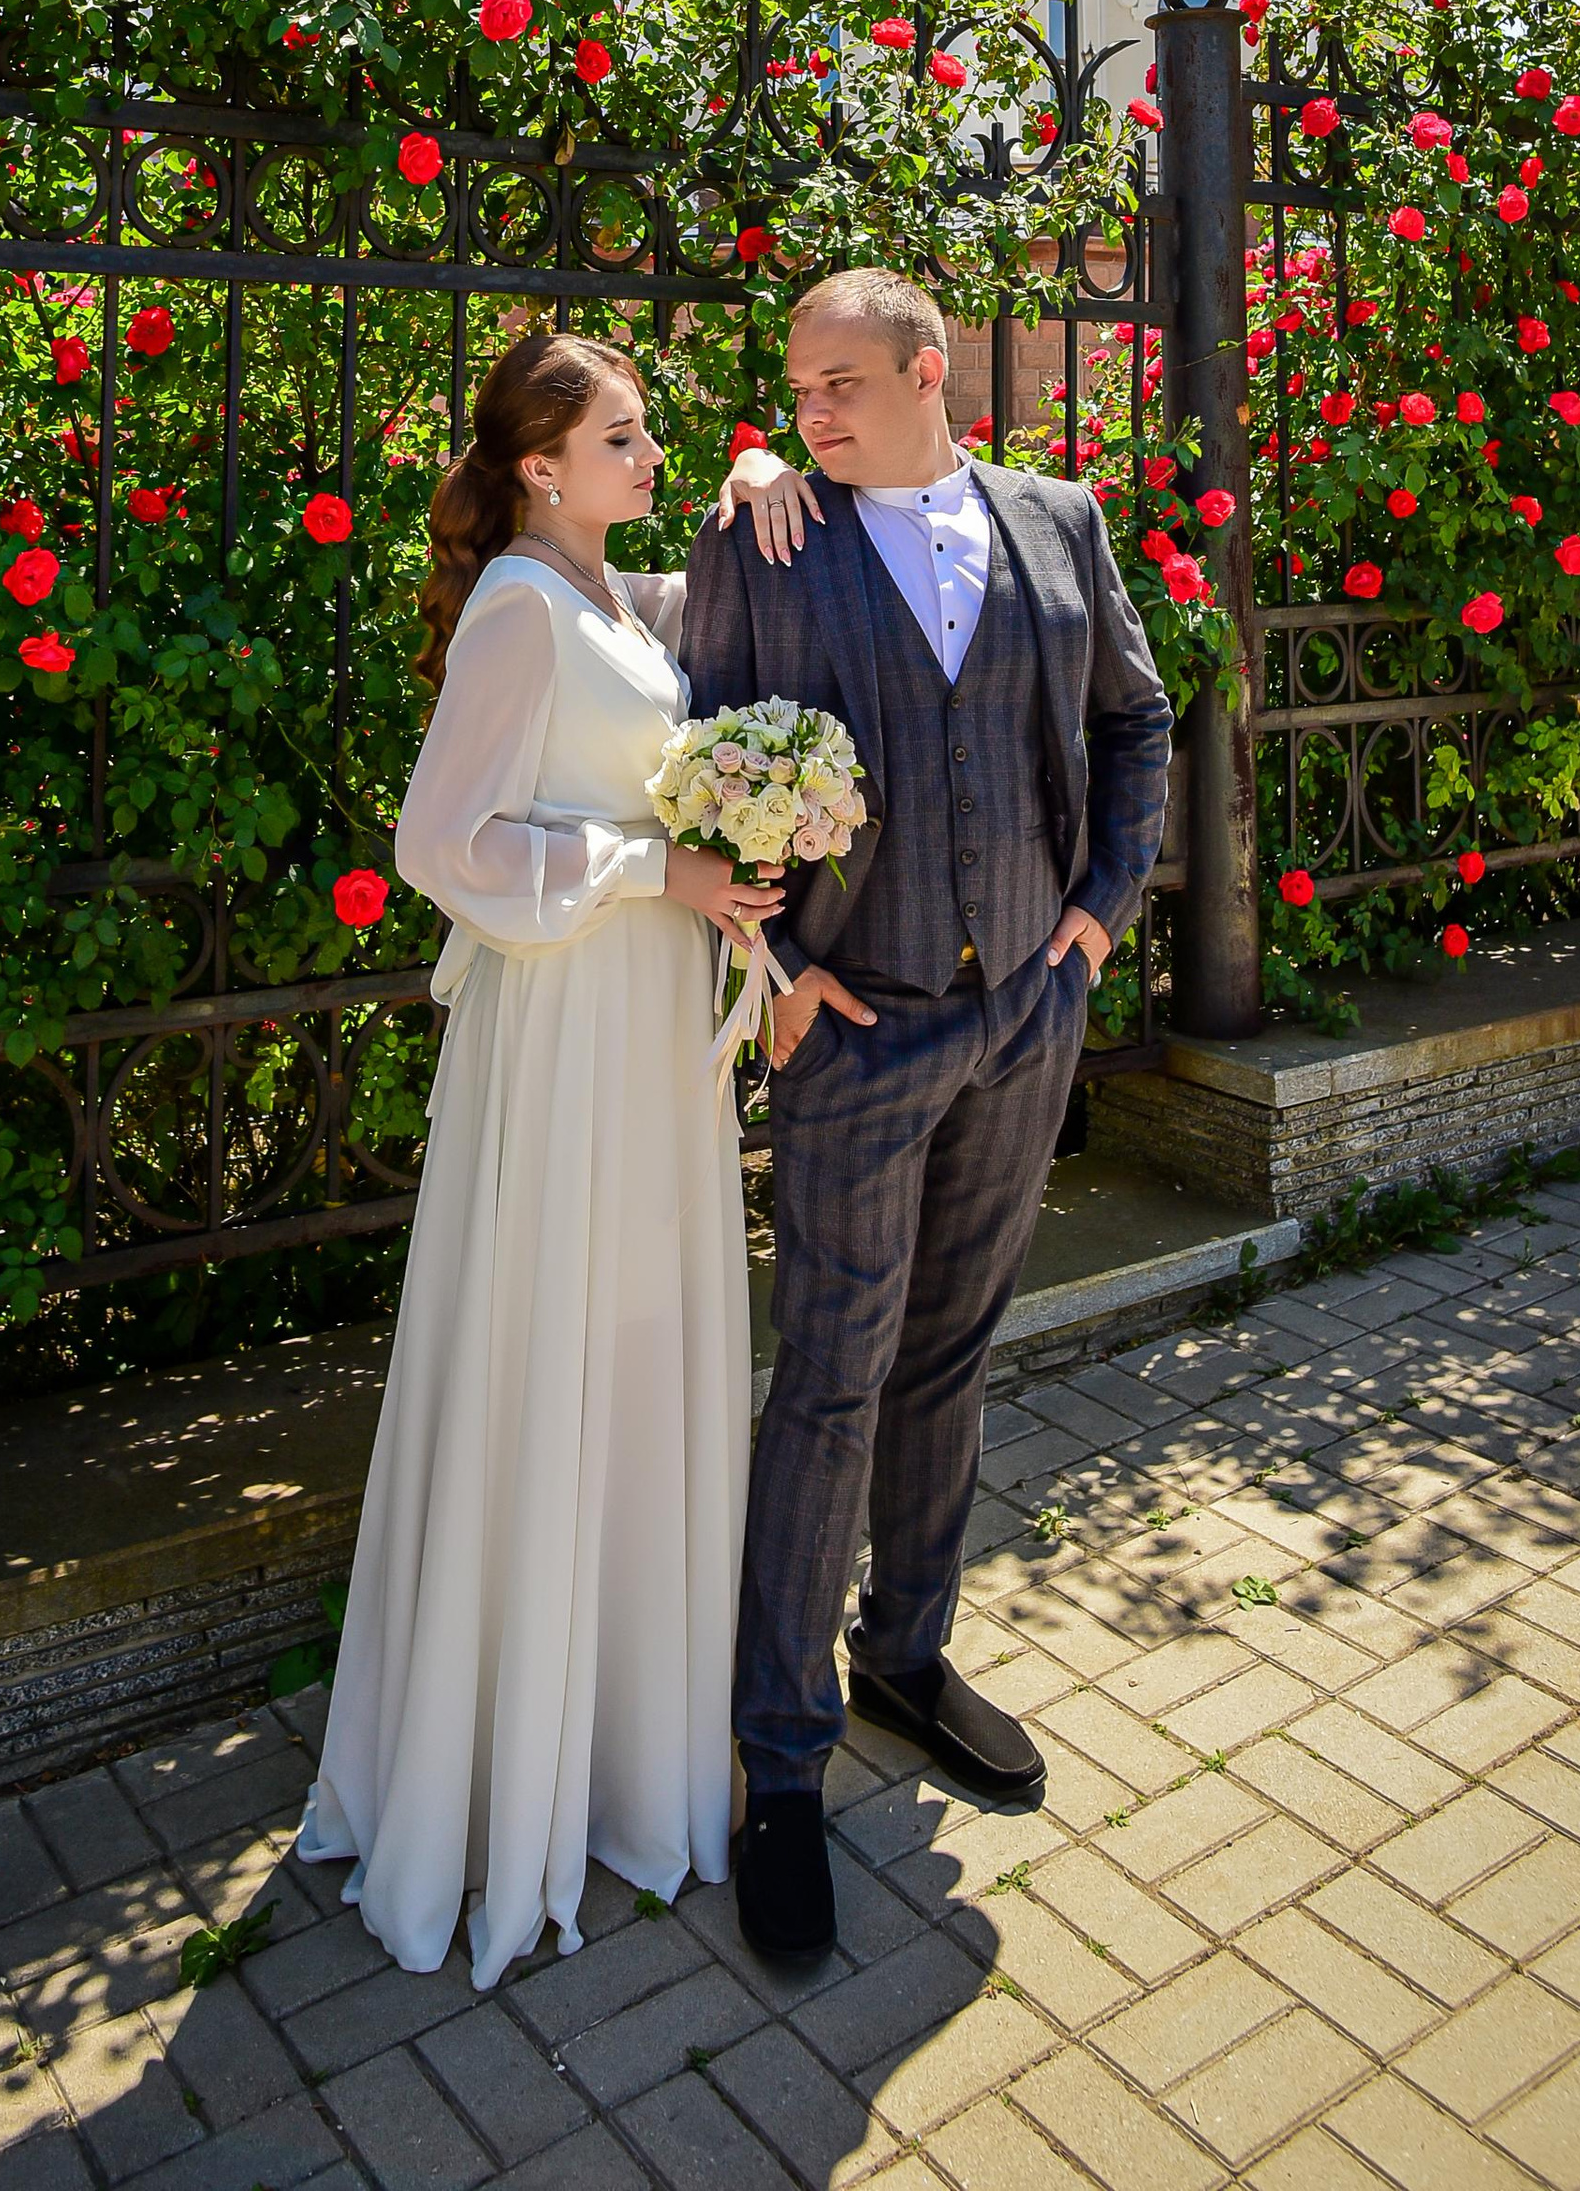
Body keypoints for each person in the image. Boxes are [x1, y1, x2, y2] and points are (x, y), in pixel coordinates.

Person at [297, 332, 813, 1990]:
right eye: (623, 436)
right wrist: (656, 873)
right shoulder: (521, 608)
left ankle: (615, 1747)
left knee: (636, 1352)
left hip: (644, 1029)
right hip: (572, 1028)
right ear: (538, 463)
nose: (651, 454)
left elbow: (696, 594)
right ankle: (516, 1767)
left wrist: (754, 473)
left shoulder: (601, 590)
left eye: (651, 433)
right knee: (560, 1352)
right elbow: (439, 843)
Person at [681, 268, 1174, 1969]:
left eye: (839, 381)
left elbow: (1136, 717)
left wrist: (1095, 921)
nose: (810, 410)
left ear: (927, 370)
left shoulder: (1058, 522)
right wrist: (773, 962)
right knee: (830, 1373)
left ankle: (904, 1653)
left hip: (1024, 1018)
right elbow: (696, 763)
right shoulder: (765, 539)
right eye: (797, 387)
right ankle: (781, 1758)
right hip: (857, 1033)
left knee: (953, 1349)